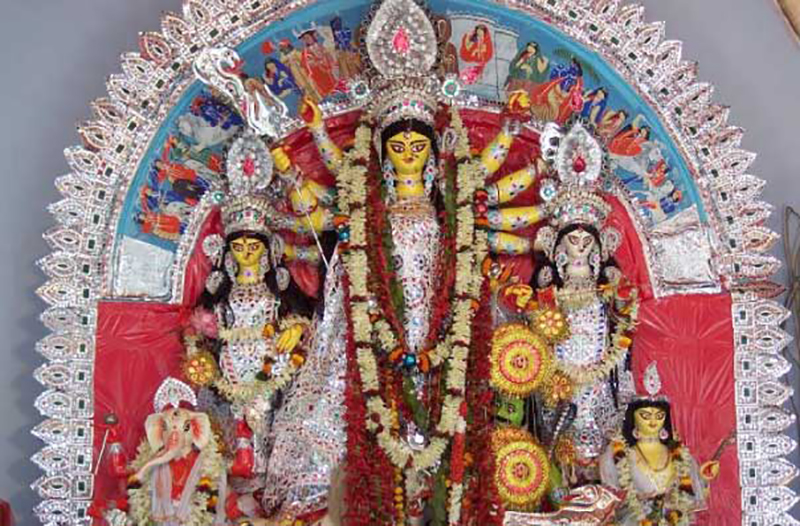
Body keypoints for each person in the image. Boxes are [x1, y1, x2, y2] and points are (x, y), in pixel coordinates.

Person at [599, 363, 720, 526]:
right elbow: (609, 502)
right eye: (645, 415)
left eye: (659, 415)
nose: (653, 421)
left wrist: (704, 476)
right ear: (633, 418)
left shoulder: (679, 453)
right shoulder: (615, 455)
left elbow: (690, 496)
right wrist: (641, 503)